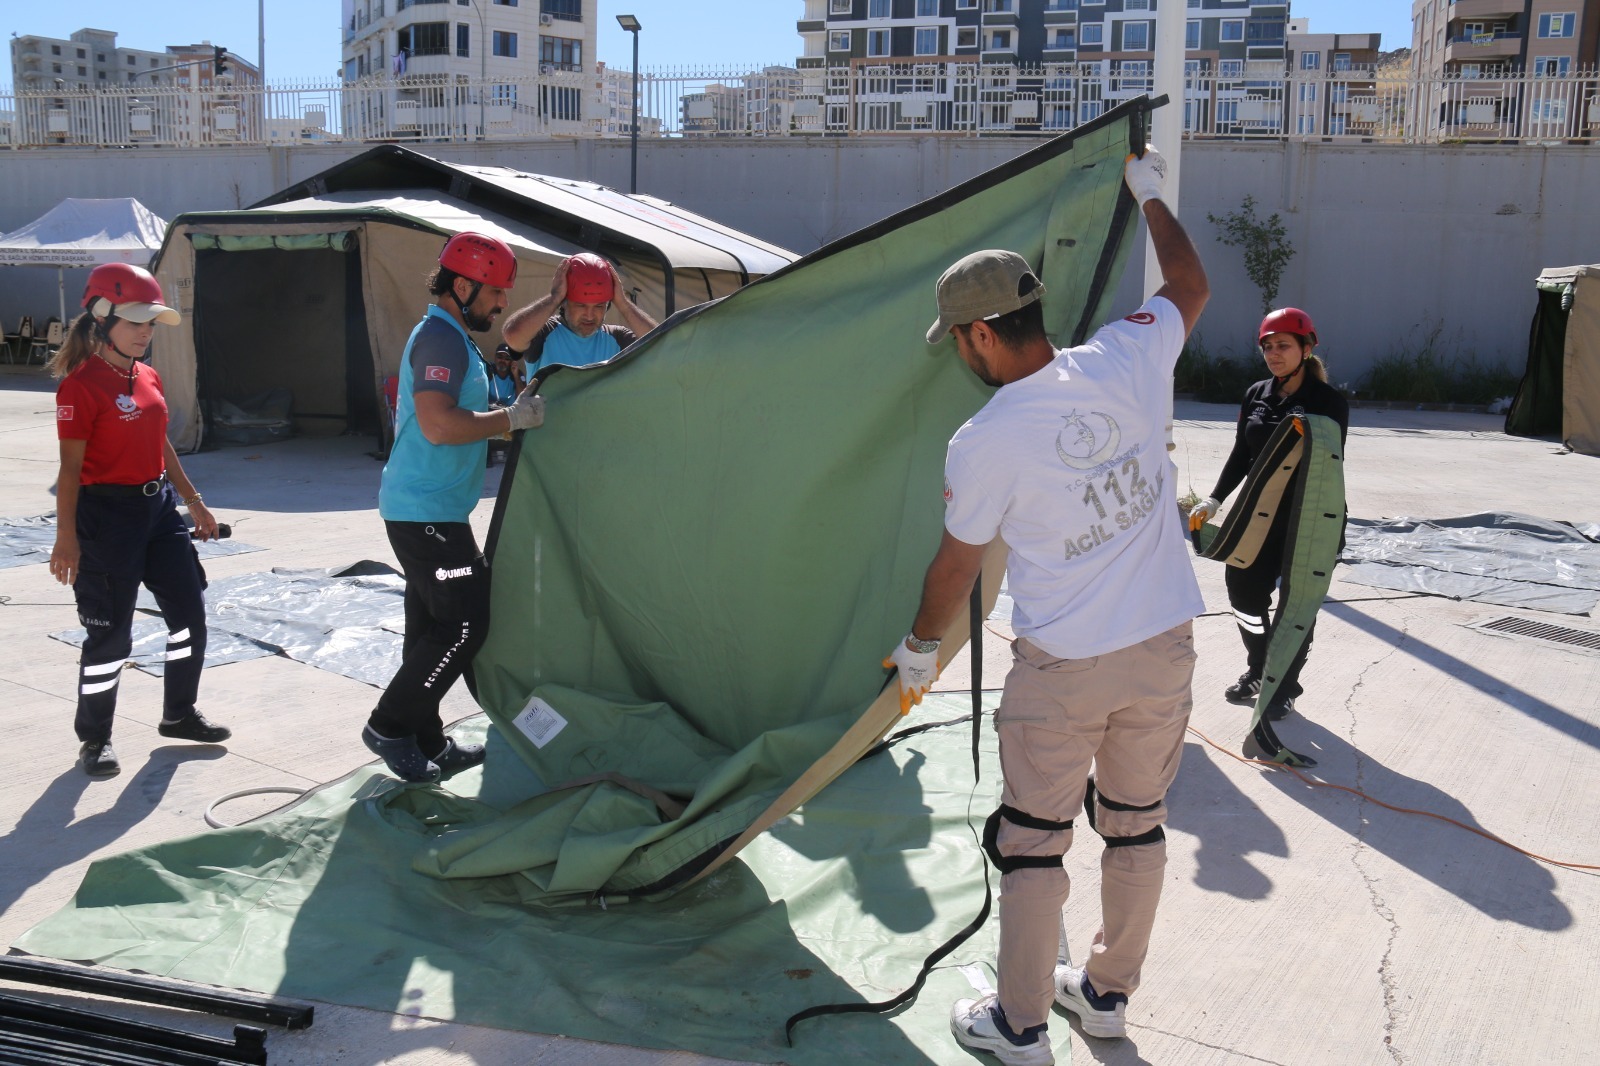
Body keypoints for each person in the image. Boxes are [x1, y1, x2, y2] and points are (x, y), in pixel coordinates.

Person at [884, 148, 1208, 1065]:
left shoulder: (983, 439)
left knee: (1032, 846)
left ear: (983, 334)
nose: (957, 351)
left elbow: (955, 570)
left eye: (955, 338)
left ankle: (1021, 1025)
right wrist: (1148, 192)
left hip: (1065, 669)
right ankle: (1105, 998)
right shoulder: (1127, 355)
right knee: (1136, 826)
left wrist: (917, 651)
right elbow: (1189, 279)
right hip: (1163, 649)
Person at [364, 232, 546, 783]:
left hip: (430, 508)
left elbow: (459, 416)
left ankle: (428, 741)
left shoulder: (453, 338)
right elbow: (440, 425)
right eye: (495, 293)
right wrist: (511, 420)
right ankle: (390, 726)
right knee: (466, 623)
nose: (502, 305)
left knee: (428, 629)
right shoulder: (440, 339)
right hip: (427, 513)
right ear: (462, 285)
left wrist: (503, 410)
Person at [48, 263, 231, 778]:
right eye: (136, 323)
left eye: (151, 323)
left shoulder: (144, 374)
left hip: (159, 509)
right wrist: (66, 540)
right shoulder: (80, 388)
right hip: (106, 517)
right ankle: (96, 739)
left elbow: (160, 442)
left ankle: (179, 714)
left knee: (189, 613)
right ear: (102, 318)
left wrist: (193, 500)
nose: (146, 332)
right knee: (111, 637)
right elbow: (69, 471)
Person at [1186, 308, 1349, 722]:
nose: (1274, 354)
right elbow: (1243, 452)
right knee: (1243, 593)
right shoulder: (1257, 393)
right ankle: (1260, 669)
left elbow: (1326, 467)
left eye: (1283, 346)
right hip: (1257, 516)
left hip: (1306, 520)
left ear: (1306, 349)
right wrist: (1216, 499)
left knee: (1297, 608)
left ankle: (1283, 686)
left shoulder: (1327, 401)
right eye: (1268, 347)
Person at [500, 252, 658, 373]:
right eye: (581, 306)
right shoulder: (545, 333)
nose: (590, 316)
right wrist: (554, 298)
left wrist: (623, 304)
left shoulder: (616, 338)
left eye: (598, 306)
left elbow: (664, 346)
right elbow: (512, 335)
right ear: (565, 303)